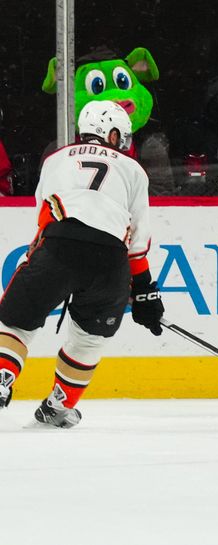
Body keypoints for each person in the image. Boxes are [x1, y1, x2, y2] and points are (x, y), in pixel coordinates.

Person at [0, 101, 164, 428]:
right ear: (112, 133)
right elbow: (136, 244)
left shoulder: (55, 159)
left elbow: (45, 214)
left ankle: (2, 374)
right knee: (90, 337)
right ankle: (60, 405)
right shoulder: (133, 169)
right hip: (112, 261)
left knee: (15, 321)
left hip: (60, 245)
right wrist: (145, 293)